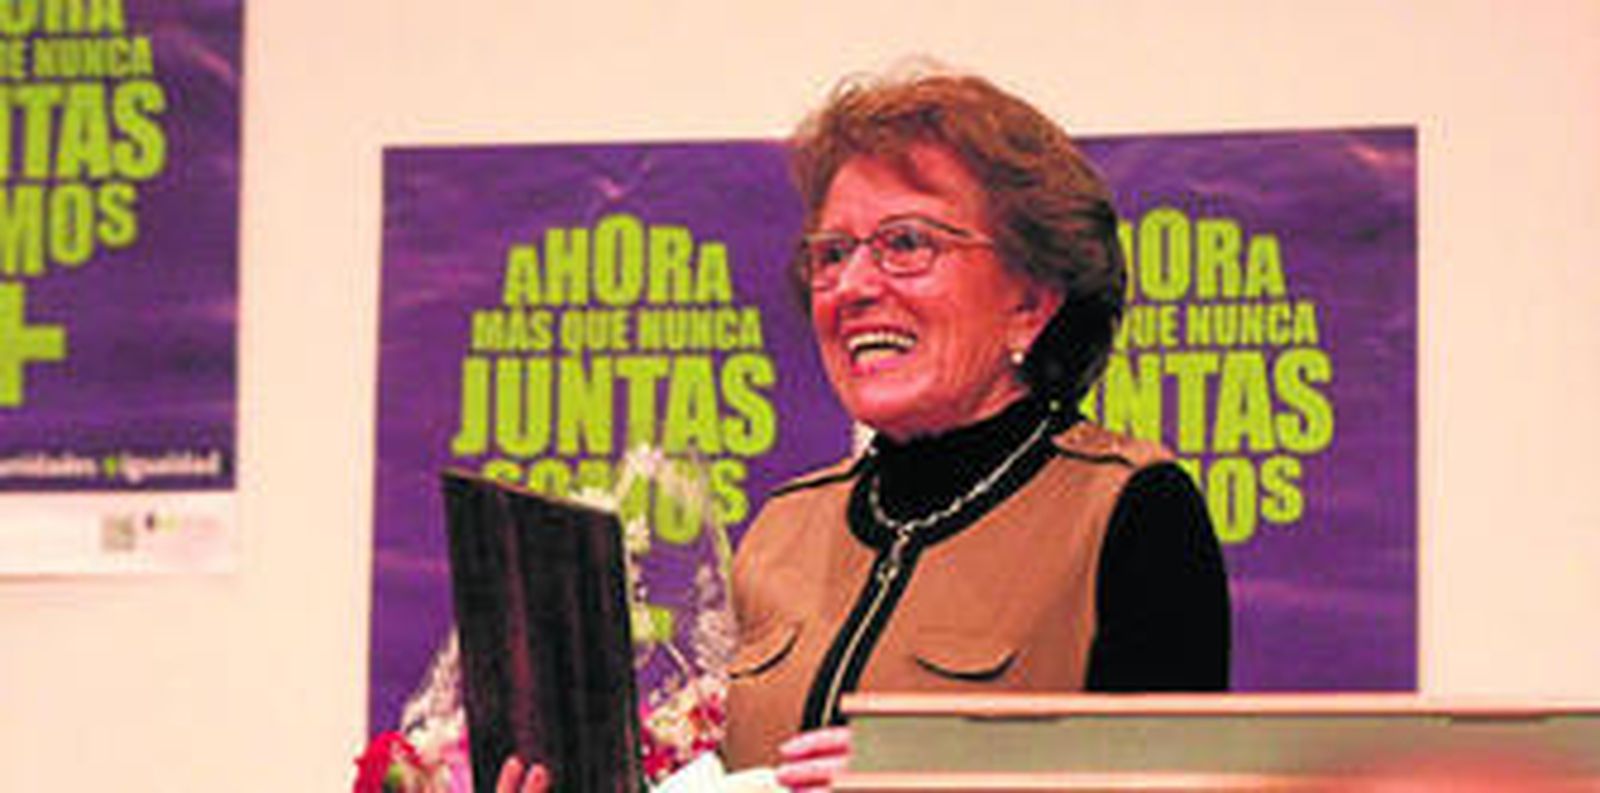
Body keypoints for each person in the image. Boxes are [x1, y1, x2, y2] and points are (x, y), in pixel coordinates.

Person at [720, 68, 1231, 790]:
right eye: (833, 253)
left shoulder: (1130, 510)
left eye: (905, 243)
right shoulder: (781, 528)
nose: (856, 286)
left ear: (1029, 299)